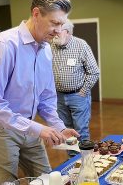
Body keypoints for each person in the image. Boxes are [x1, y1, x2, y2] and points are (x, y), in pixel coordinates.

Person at [0, 0, 79, 185]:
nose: (58, 31)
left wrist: (58, 127)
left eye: (62, 24)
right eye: (54, 23)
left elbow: (46, 98)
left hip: (28, 126)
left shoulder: (46, 49)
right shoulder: (5, 44)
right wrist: (38, 129)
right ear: (36, 13)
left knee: (49, 179)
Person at [51, 19, 100, 149]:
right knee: (66, 131)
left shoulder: (81, 45)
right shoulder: (50, 46)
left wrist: (83, 91)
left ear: (67, 32)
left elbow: (94, 72)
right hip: (59, 97)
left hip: (78, 96)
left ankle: (84, 159)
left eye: (58, 31)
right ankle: (73, 161)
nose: (55, 34)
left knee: (81, 131)